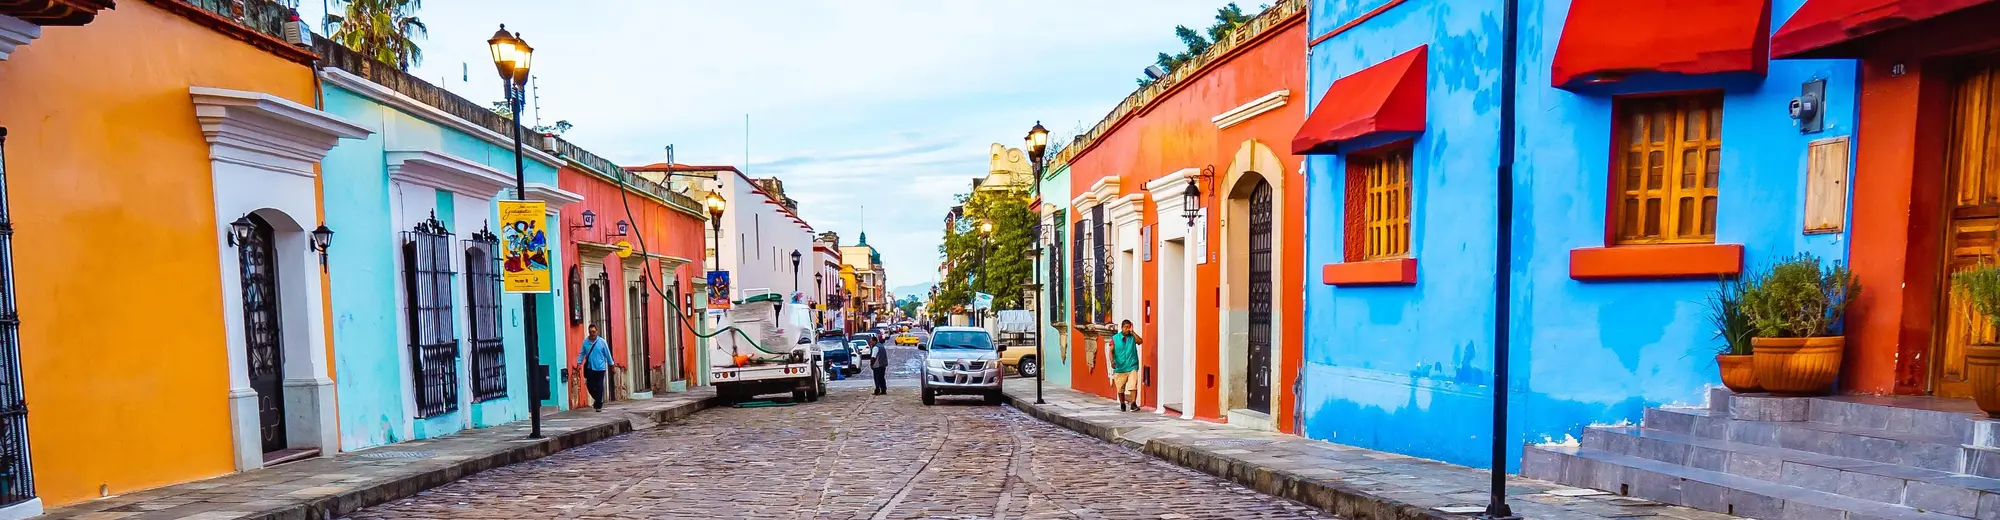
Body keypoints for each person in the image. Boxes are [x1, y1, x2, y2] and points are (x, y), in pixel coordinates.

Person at [576, 324, 613, 411]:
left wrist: (611, 364)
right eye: (590, 332)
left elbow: (607, 354)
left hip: (600, 368)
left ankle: (598, 405)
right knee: (590, 386)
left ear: (597, 332)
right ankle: (598, 399)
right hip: (590, 367)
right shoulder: (585, 342)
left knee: (599, 385)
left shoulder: (602, 342)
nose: (592, 333)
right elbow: (582, 353)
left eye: (594, 331)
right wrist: (579, 363)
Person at [1108, 319, 1142, 411]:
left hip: (1132, 365)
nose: (1127, 329)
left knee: (1133, 385)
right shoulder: (1115, 338)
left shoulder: (1132, 337)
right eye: (1125, 327)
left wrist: (1133, 332)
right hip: (1120, 367)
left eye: (1129, 327)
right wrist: (1112, 361)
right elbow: (1111, 351)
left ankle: (1133, 403)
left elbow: (1140, 341)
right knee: (1120, 388)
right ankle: (1122, 403)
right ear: (1122, 328)